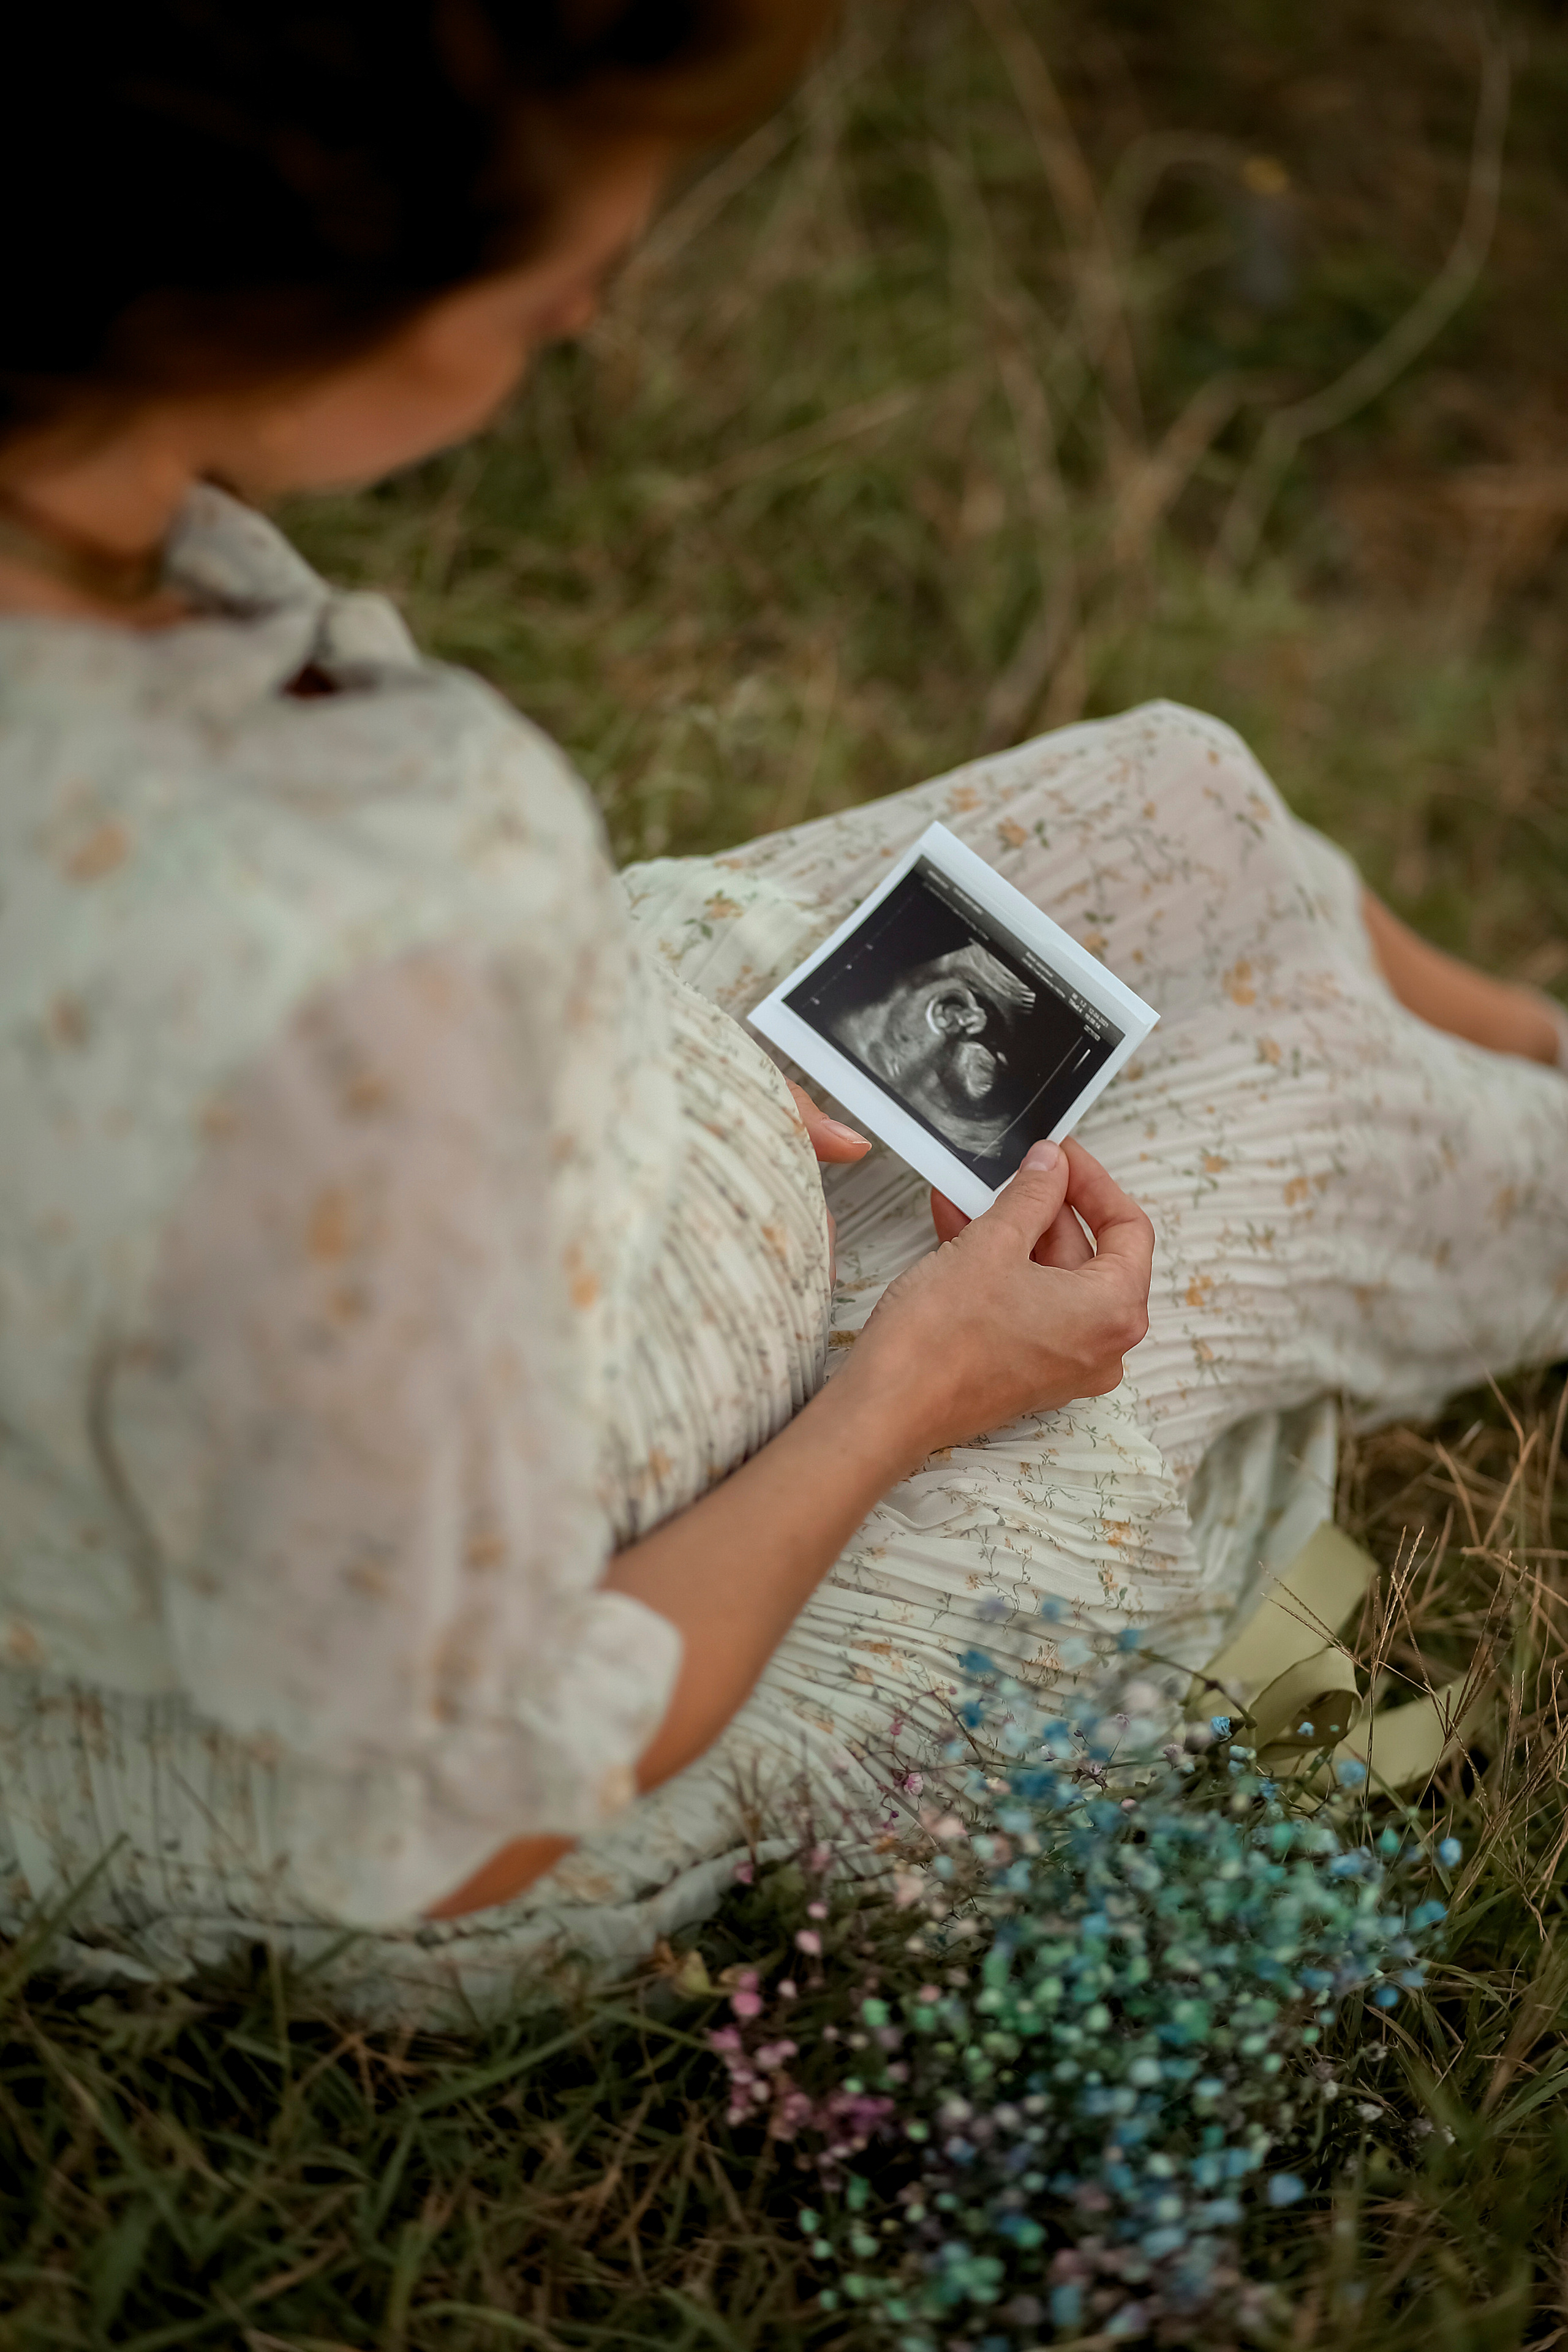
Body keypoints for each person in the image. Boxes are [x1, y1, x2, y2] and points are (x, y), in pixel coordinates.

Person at [0, 0, 1564, 2024]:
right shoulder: (331, 933)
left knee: (1166, 795)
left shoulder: (93, 540)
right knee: (1311, 1126)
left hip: (560, 1242)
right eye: (565, 247)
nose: (598, 297)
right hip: (510, 1691)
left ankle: (1534, 1028)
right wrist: (919, 1388)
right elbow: (450, 1789)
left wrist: (605, 1109)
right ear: (282, 259)